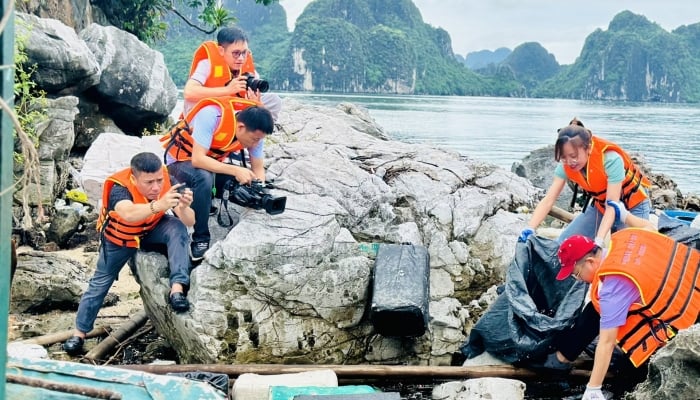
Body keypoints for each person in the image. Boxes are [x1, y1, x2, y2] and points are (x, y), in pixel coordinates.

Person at [536, 200, 699, 400]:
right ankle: (562, 358)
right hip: (689, 280)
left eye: (576, 274)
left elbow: (606, 341)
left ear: (589, 261)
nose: (576, 279)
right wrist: (625, 215)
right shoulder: (623, 238)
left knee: (627, 374)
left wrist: (593, 388)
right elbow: (648, 227)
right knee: (594, 310)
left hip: (687, 314)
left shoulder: (613, 288)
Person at [63, 152, 195, 356]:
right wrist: (159, 205)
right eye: (149, 182)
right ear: (134, 178)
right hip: (119, 239)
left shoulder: (170, 180)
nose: (156, 187)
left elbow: (190, 222)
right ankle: (79, 333)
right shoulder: (120, 187)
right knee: (99, 283)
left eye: (159, 180)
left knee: (177, 227)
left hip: (150, 229)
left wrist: (184, 208)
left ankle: (176, 290)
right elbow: (128, 213)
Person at [163, 97, 275, 261]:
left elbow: (257, 168)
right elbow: (198, 160)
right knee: (204, 177)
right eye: (255, 139)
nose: (256, 143)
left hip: (211, 164)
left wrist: (259, 191)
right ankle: (200, 238)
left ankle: (204, 200)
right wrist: (236, 169)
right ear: (241, 127)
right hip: (180, 162)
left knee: (243, 181)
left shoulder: (255, 132)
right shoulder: (211, 116)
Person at [518, 118, 652, 246]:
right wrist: (530, 228)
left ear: (588, 149)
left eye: (574, 156)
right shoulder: (565, 166)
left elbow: (612, 205)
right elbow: (548, 200)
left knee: (623, 251)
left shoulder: (610, 160)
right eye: (564, 157)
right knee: (563, 245)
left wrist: (598, 241)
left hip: (633, 205)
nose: (569, 162)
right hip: (601, 205)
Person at [183, 26, 282, 121]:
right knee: (211, 111)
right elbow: (189, 92)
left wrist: (256, 103)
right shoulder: (207, 64)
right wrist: (228, 90)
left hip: (236, 109)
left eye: (244, 53)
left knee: (274, 100)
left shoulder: (248, 70)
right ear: (221, 50)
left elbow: (254, 101)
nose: (241, 58)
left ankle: (256, 128)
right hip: (209, 112)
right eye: (236, 53)